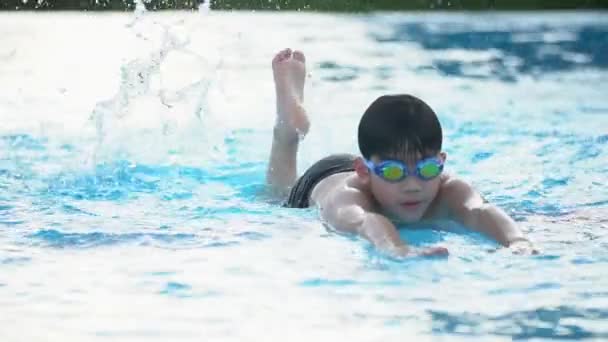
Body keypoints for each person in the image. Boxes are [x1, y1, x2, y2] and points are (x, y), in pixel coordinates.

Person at [266, 48, 537, 258]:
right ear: (363, 173)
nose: (413, 186)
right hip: (324, 178)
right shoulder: (348, 198)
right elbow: (367, 223)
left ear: (441, 164)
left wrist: (518, 242)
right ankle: (286, 133)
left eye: (427, 170)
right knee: (278, 192)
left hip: (376, 157)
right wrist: (398, 249)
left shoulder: (450, 189)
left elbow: (479, 211)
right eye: (395, 174)